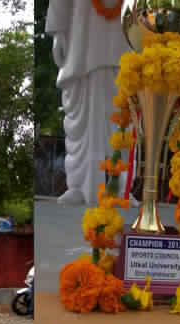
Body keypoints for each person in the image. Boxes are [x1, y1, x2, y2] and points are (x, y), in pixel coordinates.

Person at [46, 0, 136, 206]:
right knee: (85, 110)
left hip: (125, 28)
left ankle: (121, 186)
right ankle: (79, 185)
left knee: (122, 112)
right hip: (82, 29)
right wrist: (58, 31)